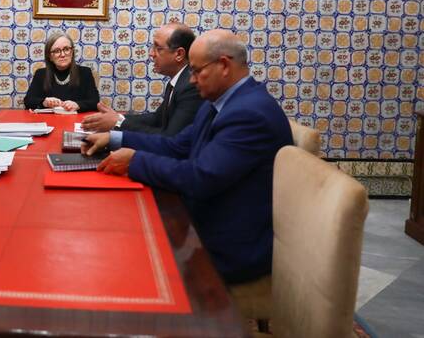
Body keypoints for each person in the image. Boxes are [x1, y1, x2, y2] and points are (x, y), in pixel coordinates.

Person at [82, 29, 293, 284]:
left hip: (227, 246)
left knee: (126, 262)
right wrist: (115, 138)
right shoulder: (217, 102)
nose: (191, 80)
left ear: (224, 65)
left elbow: (200, 177)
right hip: (204, 223)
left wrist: (135, 160)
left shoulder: (249, 113)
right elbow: (177, 146)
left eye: (196, 71)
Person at [81, 23, 201, 135]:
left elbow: (169, 138)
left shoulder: (190, 86)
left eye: (158, 48)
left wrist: (118, 123)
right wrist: (117, 118)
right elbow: (156, 119)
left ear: (179, 54)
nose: (151, 54)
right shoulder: (178, 80)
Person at [23, 32, 100, 112]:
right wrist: (44, 102)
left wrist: (78, 105)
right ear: (49, 56)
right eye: (57, 51)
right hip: (48, 119)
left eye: (66, 49)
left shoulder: (85, 73)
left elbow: (95, 102)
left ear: (72, 52)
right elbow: (28, 101)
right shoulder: (40, 74)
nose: (62, 55)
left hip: (75, 119)